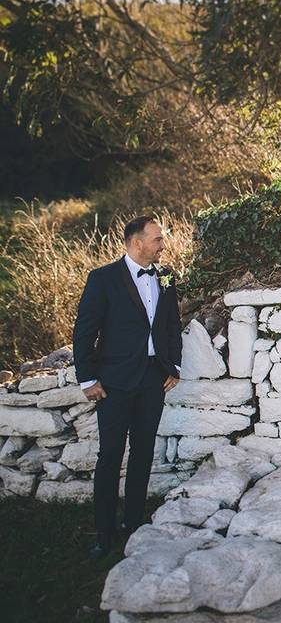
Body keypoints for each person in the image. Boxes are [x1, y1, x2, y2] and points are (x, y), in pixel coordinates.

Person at [72, 215, 182, 558]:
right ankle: (103, 535)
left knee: (143, 453)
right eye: (157, 239)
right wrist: (88, 379)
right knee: (109, 458)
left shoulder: (165, 277)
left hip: (153, 379)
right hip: (114, 384)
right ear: (137, 242)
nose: (163, 245)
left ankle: (133, 525)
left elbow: (172, 325)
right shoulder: (102, 279)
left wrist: (173, 364)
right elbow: (84, 331)